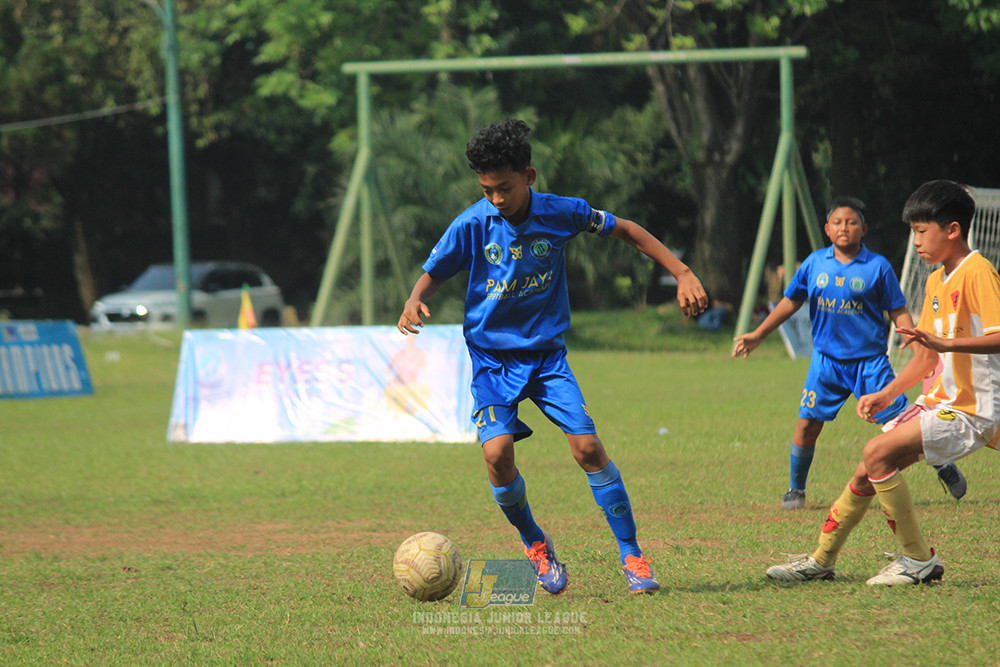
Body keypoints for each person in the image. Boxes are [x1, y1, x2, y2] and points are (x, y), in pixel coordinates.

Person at [397, 118, 708, 595]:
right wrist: (414, 298)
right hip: (492, 362)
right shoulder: (472, 223)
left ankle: (633, 555)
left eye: (504, 188)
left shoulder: (563, 213)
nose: (496, 199)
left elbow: (626, 230)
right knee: (497, 455)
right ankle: (535, 542)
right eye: (486, 190)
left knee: (588, 449)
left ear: (529, 177)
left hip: (546, 358)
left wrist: (681, 271)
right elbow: (434, 273)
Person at [766, 180, 999, 585]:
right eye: (913, 232)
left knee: (876, 452)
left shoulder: (978, 272)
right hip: (938, 403)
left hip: (970, 409)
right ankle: (821, 562)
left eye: (921, 231)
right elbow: (926, 357)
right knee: (866, 471)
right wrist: (886, 393)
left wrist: (948, 343)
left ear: (953, 230)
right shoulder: (935, 281)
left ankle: (919, 560)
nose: (916, 242)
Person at [732, 196, 967, 509]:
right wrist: (759, 334)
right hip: (825, 363)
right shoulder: (814, 264)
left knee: (901, 424)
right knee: (807, 425)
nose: (844, 227)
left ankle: (942, 463)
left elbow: (897, 309)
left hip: (869, 364)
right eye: (837, 222)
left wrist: (914, 343)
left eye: (852, 222)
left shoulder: (877, 267)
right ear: (827, 229)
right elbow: (791, 300)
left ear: (864, 229)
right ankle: (795, 489)